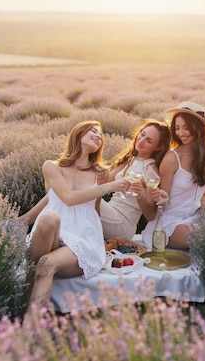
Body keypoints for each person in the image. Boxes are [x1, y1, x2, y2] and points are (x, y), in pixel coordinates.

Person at [25, 121, 129, 308]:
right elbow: (67, 198)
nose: (99, 135)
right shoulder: (52, 167)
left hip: (82, 237)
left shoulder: (101, 174)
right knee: (49, 218)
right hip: (53, 233)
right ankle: (31, 310)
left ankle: (29, 329)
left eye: (101, 135)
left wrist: (103, 243)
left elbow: (94, 211)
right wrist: (109, 187)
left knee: (46, 263)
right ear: (78, 134)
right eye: (93, 131)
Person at [21, 119, 171, 241]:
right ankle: (27, 223)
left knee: (71, 190)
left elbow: (151, 215)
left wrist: (141, 196)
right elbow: (104, 185)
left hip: (122, 224)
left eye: (149, 140)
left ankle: (23, 222)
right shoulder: (131, 159)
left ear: (157, 148)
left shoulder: (150, 170)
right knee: (65, 188)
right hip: (110, 211)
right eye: (142, 134)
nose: (142, 140)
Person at [142, 101, 205, 250]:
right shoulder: (172, 158)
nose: (180, 133)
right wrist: (156, 195)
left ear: (198, 127)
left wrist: (204, 218)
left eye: (186, 127)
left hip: (196, 217)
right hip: (171, 222)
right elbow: (163, 204)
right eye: (177, 128)